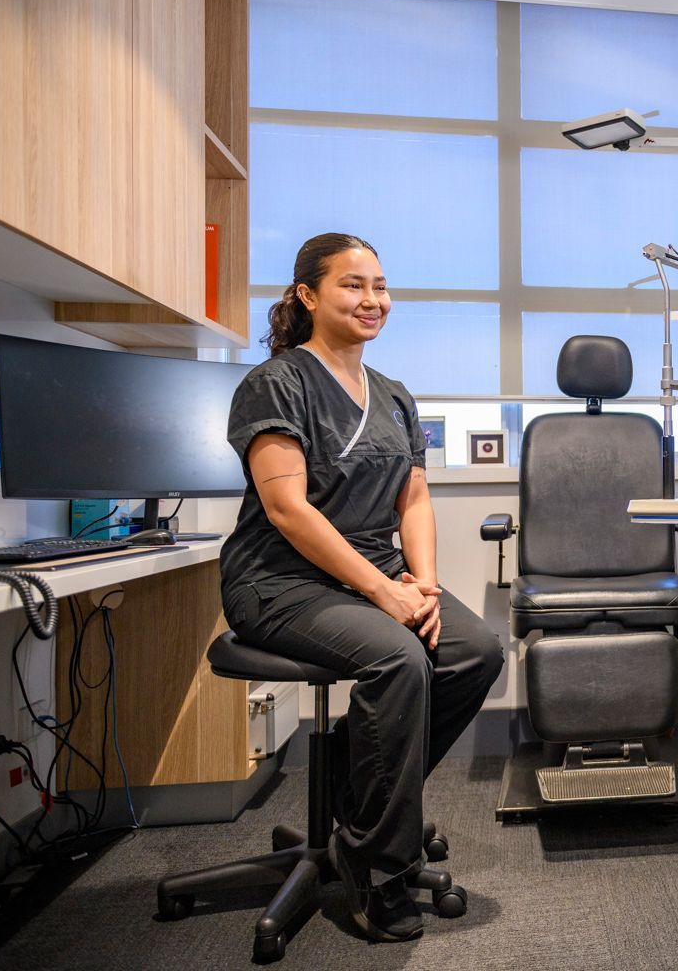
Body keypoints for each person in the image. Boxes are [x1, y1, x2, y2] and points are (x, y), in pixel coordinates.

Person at [219, 232, 503, 943]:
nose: (371, 298)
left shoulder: (396, 397)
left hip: (373, 576)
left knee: (475, 651)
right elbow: (287, 509)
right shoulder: (276, 383)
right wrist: (384, 592)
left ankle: (356, 791)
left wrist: (426, 585)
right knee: (398, 658)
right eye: (352, 284)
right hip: (280, 583)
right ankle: (381, 865)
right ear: (308, 295)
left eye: (379, 284)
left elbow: (413, 498)